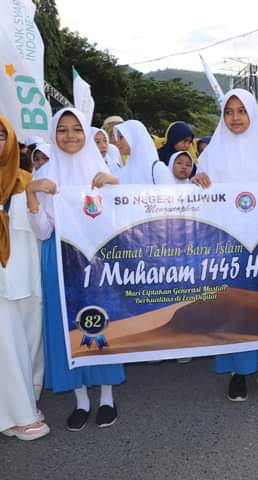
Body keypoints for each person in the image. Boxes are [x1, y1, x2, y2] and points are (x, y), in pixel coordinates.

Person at [192, 89, 258, 400]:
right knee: (232, 308)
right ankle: (239, 370)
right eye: (229, 112)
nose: (235, 118)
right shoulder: (210, 155)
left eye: (241, 111)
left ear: (251, 113)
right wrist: (198, 184)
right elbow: (201, 202)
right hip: (226, 247)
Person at [26, 108, 125, 431]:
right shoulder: (47, 175)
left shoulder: (102, 171)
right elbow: (42, 231)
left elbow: (120, 222)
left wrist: (113, 185)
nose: (70, 136)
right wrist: (33, 194)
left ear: (86, 133)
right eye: (63, 130)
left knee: (102, 322)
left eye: (77, 129)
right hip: (59, 259)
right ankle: (81, 400)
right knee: (67, 327)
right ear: (54, 134)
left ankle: (107, 397)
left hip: (98, 262)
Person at [0, 116, 49, 441]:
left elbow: (43, 226)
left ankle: (27, 398)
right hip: (2, 281)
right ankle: (20, 415)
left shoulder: (26, 178)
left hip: (28, 275)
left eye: (1, 134)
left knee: (30, 344)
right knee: (7, 345)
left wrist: (31, 194)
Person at [114, 120, 175, 185]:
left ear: (135, 136)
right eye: (116, 138)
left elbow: (169, 194)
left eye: (121, 137)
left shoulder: (158, 170)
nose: (117, 142)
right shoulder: (122, 172)